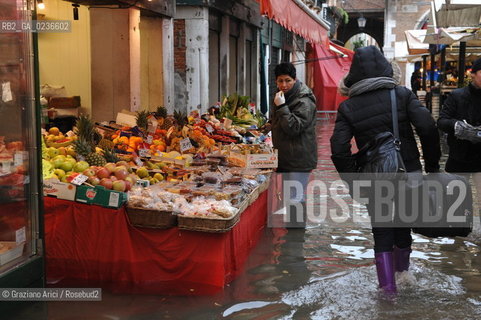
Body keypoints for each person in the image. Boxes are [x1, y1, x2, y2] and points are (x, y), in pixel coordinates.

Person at [330, 46, 441, 294]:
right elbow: (429, 129)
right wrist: (431, 167)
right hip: (408, 172)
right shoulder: (402, 94)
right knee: (403, 224)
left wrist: (355, 182)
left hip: (375, 178)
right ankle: (404, 277)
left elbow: (338, 150)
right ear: (386, 68)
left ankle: (387, 292)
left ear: (354, 75)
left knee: (381, 230)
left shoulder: (348, 107)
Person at [265, 62, 317, 227]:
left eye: (288, 80)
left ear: (295, 79)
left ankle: (296, 241)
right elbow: (280, 121)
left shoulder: (304, 100)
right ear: (276, 81)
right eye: (280, 81)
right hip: (287, 156)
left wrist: (281, 107)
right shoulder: (282, 95)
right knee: (290, 196)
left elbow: (294, 127)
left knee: (296, 197)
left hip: (299, 158)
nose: (284, 85)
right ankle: (291, 233)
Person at [438, 57, 481, 209]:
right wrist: (457, 126)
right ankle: (457, 232)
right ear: (473, 74)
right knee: (456, 204)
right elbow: (442, 121)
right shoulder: (457, 96)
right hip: (459, 156)